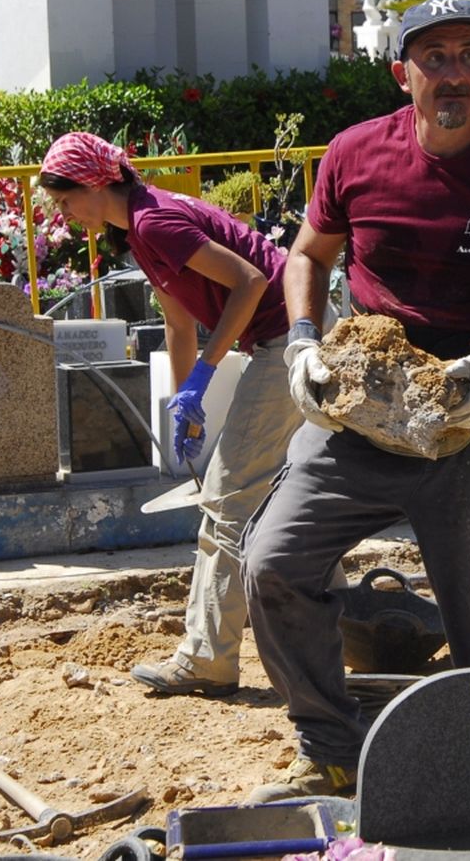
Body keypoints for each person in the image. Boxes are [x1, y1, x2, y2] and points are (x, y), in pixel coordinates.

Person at [239, 0, 470, 802]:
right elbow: (307, 254)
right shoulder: (355, 153)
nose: (453, 74)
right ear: (402, 70)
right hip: (366, 409)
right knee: (271, 563)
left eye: (469, 55)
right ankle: (332, 744)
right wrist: (303, 339)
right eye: (434, 58)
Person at [39, 132, 303, 698]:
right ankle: (343, 625)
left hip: (290, 340)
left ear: (94, 183)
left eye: (65, 201)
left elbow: (251, 282)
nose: (64, 214)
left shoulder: (156, 221)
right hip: (289, 337)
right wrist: (189, 403)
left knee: (229, 500)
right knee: (288, 495)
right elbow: (179, 326)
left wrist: (207, 374)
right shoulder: (140, 230)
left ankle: (206, 658)